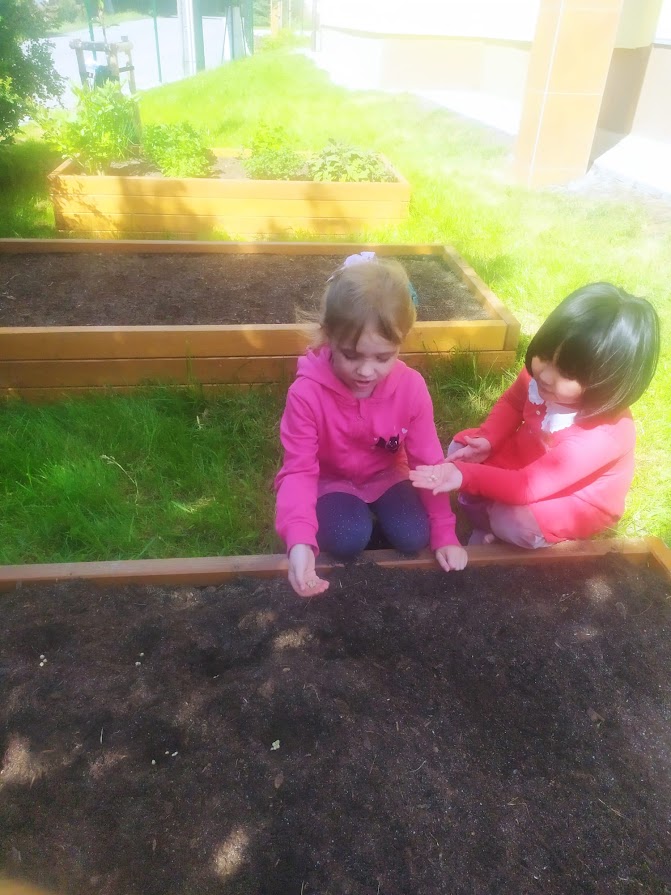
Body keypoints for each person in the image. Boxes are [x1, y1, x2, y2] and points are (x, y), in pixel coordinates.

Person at [275, 253, 468, 597]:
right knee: (346, 539)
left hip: (387, 475)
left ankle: (376, 523)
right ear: (328, 336)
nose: (366, 372)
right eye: (350, 355)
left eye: (382, 358)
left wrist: (444, 532)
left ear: (401, 343)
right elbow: (299, 470)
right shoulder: (306, 394)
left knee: (414, 536)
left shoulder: (411, 388)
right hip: (332, 481)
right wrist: (300, 540)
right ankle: (359, 524)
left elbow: (428, 463)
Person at [410, 282, 660, 548]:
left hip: (571, 497)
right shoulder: (541, 380)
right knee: (462, 447)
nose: (546, 375)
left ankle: (506, 530)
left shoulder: (602, 436)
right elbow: (513, 403)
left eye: (568, 373)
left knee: (511, 520)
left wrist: (465, 475)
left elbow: (527, 485)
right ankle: (488, 518)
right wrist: (488, 439)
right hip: (528, 460)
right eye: (546, 355)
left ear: (609, 383)